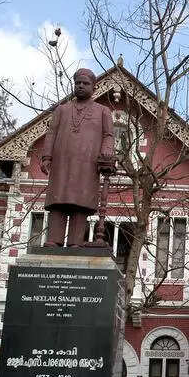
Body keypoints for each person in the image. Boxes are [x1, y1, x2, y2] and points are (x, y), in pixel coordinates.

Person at [41, 68, 115, 246]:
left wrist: (106, 151)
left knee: (80, 203)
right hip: (62, 163)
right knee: (58, 200)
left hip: (87, 165)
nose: (81, 86)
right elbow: (51, 133)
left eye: (85, 83)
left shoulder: (103, 111)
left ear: (94, 87)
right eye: (78, 83)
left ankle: (75, 242)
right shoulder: (62, 110)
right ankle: (54, 240)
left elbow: (109, 135)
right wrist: (46, 156)